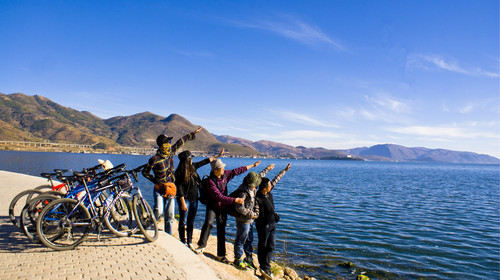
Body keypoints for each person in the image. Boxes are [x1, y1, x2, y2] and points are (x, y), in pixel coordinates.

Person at [196, 159, 261, 264]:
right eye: (222, 168)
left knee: (221, 230)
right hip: (213, 206)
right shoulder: (210, 182)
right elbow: (219, 197)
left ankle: (221, 255)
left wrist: (252, 165)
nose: (224, 169)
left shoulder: (225, 175)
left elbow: (237, 171)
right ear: (216, 170)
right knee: (208, 223)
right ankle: (201, 245)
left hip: (223, 207)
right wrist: (235, 200)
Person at [142, 127, 202, 235]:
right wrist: (155, 181)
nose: (170, 144)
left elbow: (180, 142)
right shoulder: (154, 159)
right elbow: (145, 172)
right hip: (159, 189)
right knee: (159, 211)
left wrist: (192, 134)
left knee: (170, 217)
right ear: (162, 144)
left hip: (170, 189)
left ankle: (168, 236)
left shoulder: (170, 153)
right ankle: (146, 225)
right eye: (168, 142)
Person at [174, 148, 225, 250]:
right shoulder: (179, 172)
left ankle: (189, 241)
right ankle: (182, 240)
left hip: (194, 199)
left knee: (191, 221)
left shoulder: (193, 167)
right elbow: (179, 189)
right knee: (183, 221)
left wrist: (218, 156)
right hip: (185, 200)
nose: (192, 160)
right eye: (191, 158)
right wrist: (182, 202)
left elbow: (205, 161)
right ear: (186, 160)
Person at [255, 163, 291, 279]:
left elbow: (276, 179)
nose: (271, 185)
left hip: (272, 225)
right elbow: (255, 213)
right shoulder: (258, 198)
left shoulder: (268, 193)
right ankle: (263, 267)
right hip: (263, 226)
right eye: (269, 185)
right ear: (264, 187)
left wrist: (284, 170)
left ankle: (267, 266)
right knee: (263, 245)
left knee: (271, 246)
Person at [231, 171, 262, 270]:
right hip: (243, 220)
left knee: (249, 239)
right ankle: (238, 260)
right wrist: (251, 214)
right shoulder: (243, 192)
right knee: (240, 239)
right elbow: (239, 207)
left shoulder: (253, 189)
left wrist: (256, 212)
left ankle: (248, 258)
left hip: (250, 220)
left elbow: (255, 202)